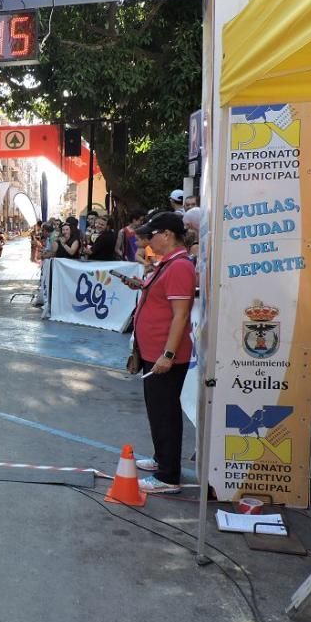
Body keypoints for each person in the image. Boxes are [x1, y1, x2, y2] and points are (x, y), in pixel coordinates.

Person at [118, 211, 196, 494]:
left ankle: (168, 476)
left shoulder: (179, 267)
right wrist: (141, 286)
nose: (147, 240)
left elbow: (180, 315)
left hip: (164, 354)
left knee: (165, 413)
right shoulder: (169, 264)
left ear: (167, 235)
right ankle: (161, 459)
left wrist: (169, 354)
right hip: (153, 350)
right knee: (158, 409)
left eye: (152, 235)